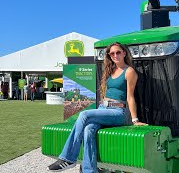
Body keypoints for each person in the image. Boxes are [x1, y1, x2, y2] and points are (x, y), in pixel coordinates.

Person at [48, 42, 146, 172]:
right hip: (103, 109)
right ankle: (90, 170)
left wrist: (135, 120)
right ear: (109, 56)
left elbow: (130, 96)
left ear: (124, 53)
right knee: (89, 129)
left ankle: (68, 158)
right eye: (112, 53)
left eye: (118, 52)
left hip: (118, 112)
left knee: (84, 114)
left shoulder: (130, 71)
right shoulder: (111, 70)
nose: (115, 55)